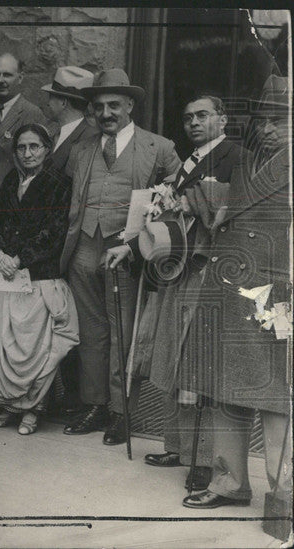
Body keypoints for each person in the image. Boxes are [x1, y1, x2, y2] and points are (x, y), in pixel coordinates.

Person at [107, 95, 246, 492]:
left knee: (198, 364)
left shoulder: (238, 156)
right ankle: (179, 447)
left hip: (210, 272)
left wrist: (193, 198)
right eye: (188, 117)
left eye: (203, 115)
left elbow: (235, 207)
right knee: (174, 357)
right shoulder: (188, 161)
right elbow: (167, 222)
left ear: (223, 118)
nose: (194, 123)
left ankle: (203, 461)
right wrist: (131, 245)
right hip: (178, 271)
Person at [180, 75, 291, 517]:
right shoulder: (253, 163)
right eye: (263, 120)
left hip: (275, 295)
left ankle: (285, 493)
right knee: (228, 387)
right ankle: (228, 481)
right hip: (233, 289)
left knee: (274, 394)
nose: (268, 130)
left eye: (280, 121)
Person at [59, 69, 181, 446]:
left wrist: (133, 245)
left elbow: (175, 205)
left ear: (130, 104)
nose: (106, 112)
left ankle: (120, 412)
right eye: (99, 107)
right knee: (91, 332)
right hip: (83, 248)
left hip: (127, 253)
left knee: (123, 334)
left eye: (114, 105)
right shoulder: (81, 150)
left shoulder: (158, 148)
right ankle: (93, 405)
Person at [0, 123, 78, 435]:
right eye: (22, 147)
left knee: (35, 348)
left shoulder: (59, 182)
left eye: (35, 147)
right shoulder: (10, 180)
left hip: (38, 278)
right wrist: (1, 253)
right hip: (6, 278)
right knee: (1, 344)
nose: (28, 153)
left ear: (46, 149)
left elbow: (55, 232)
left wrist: (20, 259)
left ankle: (32, 410)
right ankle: (8, 405)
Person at [39, 65, 97, 416]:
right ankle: (54, 394)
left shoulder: (86, 137)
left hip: (66, 239)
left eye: (52, 96)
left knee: (72, 321)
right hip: (45, 239)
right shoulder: (54, 131)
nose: (48, 101)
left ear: (62, 100)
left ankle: (75, 399)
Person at [0, 53, 47, 182]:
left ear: (20, 78)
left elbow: (36, 166)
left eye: (7, 75)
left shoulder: (31, 114)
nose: (0, 80)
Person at [41, 66, 98, 176]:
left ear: (63, 102)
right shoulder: (55, 133)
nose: (48, 103)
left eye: (51, 97)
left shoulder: (90, 138)